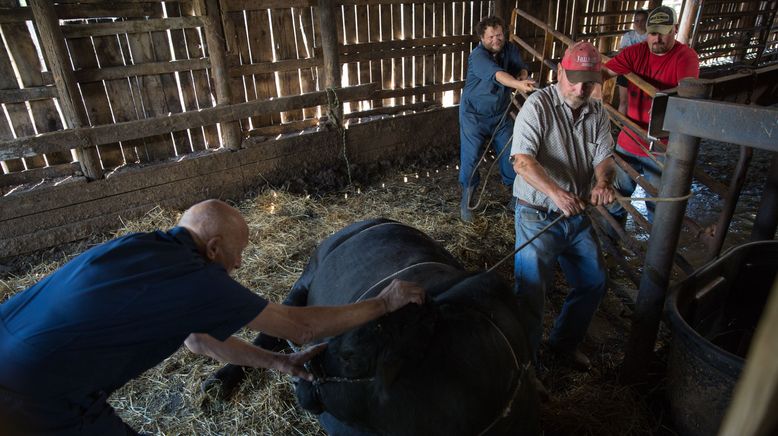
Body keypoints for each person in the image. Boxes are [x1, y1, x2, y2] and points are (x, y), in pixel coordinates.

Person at [0, 199, 425, 435]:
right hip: (33, 396)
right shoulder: (197, 278)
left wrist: (276, 362)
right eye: (238, 254)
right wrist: (384, 303)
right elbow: (303, 326)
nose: (238, 266)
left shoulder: (141, 245)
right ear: (215, 247)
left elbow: (197, 340)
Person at [510, 41, 616, 372]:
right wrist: (556, 193)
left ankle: (563, 343)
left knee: (594, 280)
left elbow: (605, 158)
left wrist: (603, 182)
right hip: (537, 212)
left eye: (588, 80)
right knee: (530, 292)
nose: (581, 87)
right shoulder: (537, 106)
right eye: (574, 78)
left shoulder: (596, 112)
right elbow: (522, 162)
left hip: (576, 214)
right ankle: (527, 366)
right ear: (560, 73)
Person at [603, 5, 699, 223]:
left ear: (674, 29)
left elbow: (686, 96)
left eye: (662, 33)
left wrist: (662, 95)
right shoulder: (635, 52)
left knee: (657, 205)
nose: (656, 39)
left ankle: (655, 255)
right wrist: (596, 92)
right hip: (630, 138)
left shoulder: (686, 58)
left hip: (661, 145)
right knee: (615, 198)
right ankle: (611, 245)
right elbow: (603, 72)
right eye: (652, 33)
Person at [459, 15, 536, 222]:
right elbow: (498, 75)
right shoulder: (478, 56)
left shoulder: (509, 49)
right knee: (471, 156)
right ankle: (467, 200)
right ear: (482, 38)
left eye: (499, 35)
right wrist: (518, 85)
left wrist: (522, 75)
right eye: (491, 36)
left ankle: (515, 195)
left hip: (500, 113)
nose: (496, 40)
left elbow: (520, 66)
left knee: (512, 152)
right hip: (474, 115)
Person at [615, 10, 648, 114]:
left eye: (642, 20)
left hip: (644, 74)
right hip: (626, 71)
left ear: (647, 22)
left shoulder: (651, 37)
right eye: (637, 21)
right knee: (623, 101)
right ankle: (620, 126)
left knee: (639, 102)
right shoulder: (628, 36)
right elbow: (621, 54)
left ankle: (634, 126)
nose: (639, 23)